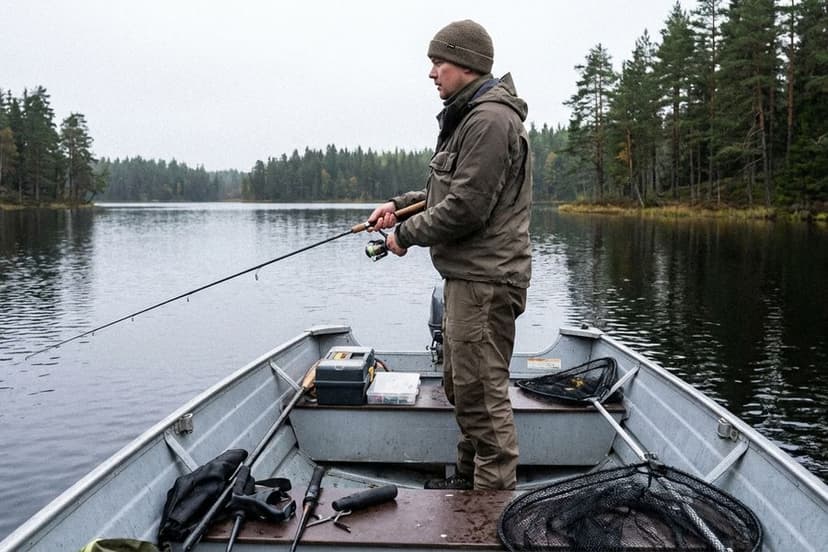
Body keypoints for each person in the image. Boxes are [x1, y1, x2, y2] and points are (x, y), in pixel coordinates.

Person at [368, 19, 532, 491]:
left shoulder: (489, 120)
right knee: (463, 388)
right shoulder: (472, 115)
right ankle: (466, 481)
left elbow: (466, 208)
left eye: (438, 62)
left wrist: (405, 235)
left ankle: (492, 510)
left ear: (466, 63)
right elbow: (446, 188)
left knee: (482, 397)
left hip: (486, 282)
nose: (432, 72)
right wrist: (397, 208)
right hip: (469, 279)